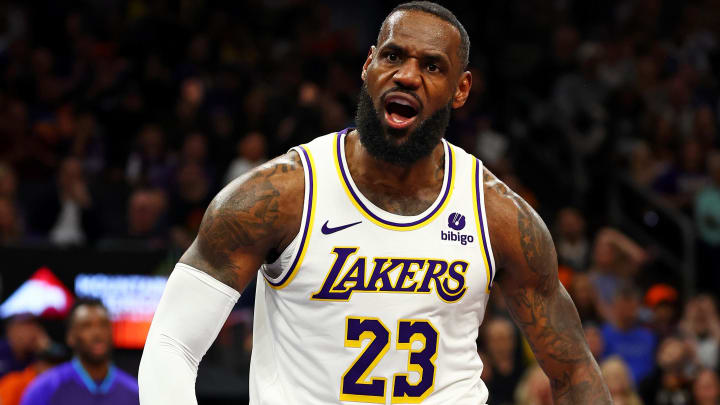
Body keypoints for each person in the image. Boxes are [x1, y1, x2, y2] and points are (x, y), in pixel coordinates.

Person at [139, 2, 611, 404]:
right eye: (393, 56)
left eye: (432, 66)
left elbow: (574, 373)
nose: (407, 75)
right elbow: (171, 343)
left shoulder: (498, 215)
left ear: (461, 89)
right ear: (369, 66)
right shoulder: (279, 195)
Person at [20, 299, 139, 405]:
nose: (97, 333)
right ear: (70, 337)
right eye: (86, 326)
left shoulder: (135, 393)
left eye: (103, 325)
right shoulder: (45, 389)